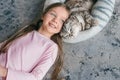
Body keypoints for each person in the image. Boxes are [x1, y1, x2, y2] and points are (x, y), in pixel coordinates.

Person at [0, 2, 70, 80]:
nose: (55, 20)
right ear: (43, 15)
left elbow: (36, 77)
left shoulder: (51, 47)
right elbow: (5, 45)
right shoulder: (27, 30)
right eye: (53, 14)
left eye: (62, 20)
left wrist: (3, 72)